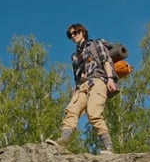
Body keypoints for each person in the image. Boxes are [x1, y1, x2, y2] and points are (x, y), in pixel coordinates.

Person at [46, 23, 117, 154]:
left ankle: (109, 147)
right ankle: (63, 142)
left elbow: (106, 61)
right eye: (70, 35)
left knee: (94, 113)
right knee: (71, 111)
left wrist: (110, 79)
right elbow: (76, 76)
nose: (73, 36)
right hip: (81, 86)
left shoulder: (96, 44)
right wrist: (76, 90)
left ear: (82, 32)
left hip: (97, 81)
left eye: (76, 33)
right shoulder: (74, 56)